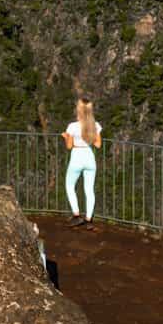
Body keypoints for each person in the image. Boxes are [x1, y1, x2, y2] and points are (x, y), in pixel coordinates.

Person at [63, 97, 102, 227]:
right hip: (89, 157)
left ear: (78, 110)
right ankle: (89, 220)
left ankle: (76, 215)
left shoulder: (72, 127)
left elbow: (69, 146)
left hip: (77, 156)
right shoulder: (94, 125)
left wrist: (66, 137)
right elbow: (98, 145)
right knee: (89, 189)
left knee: (69, 186)